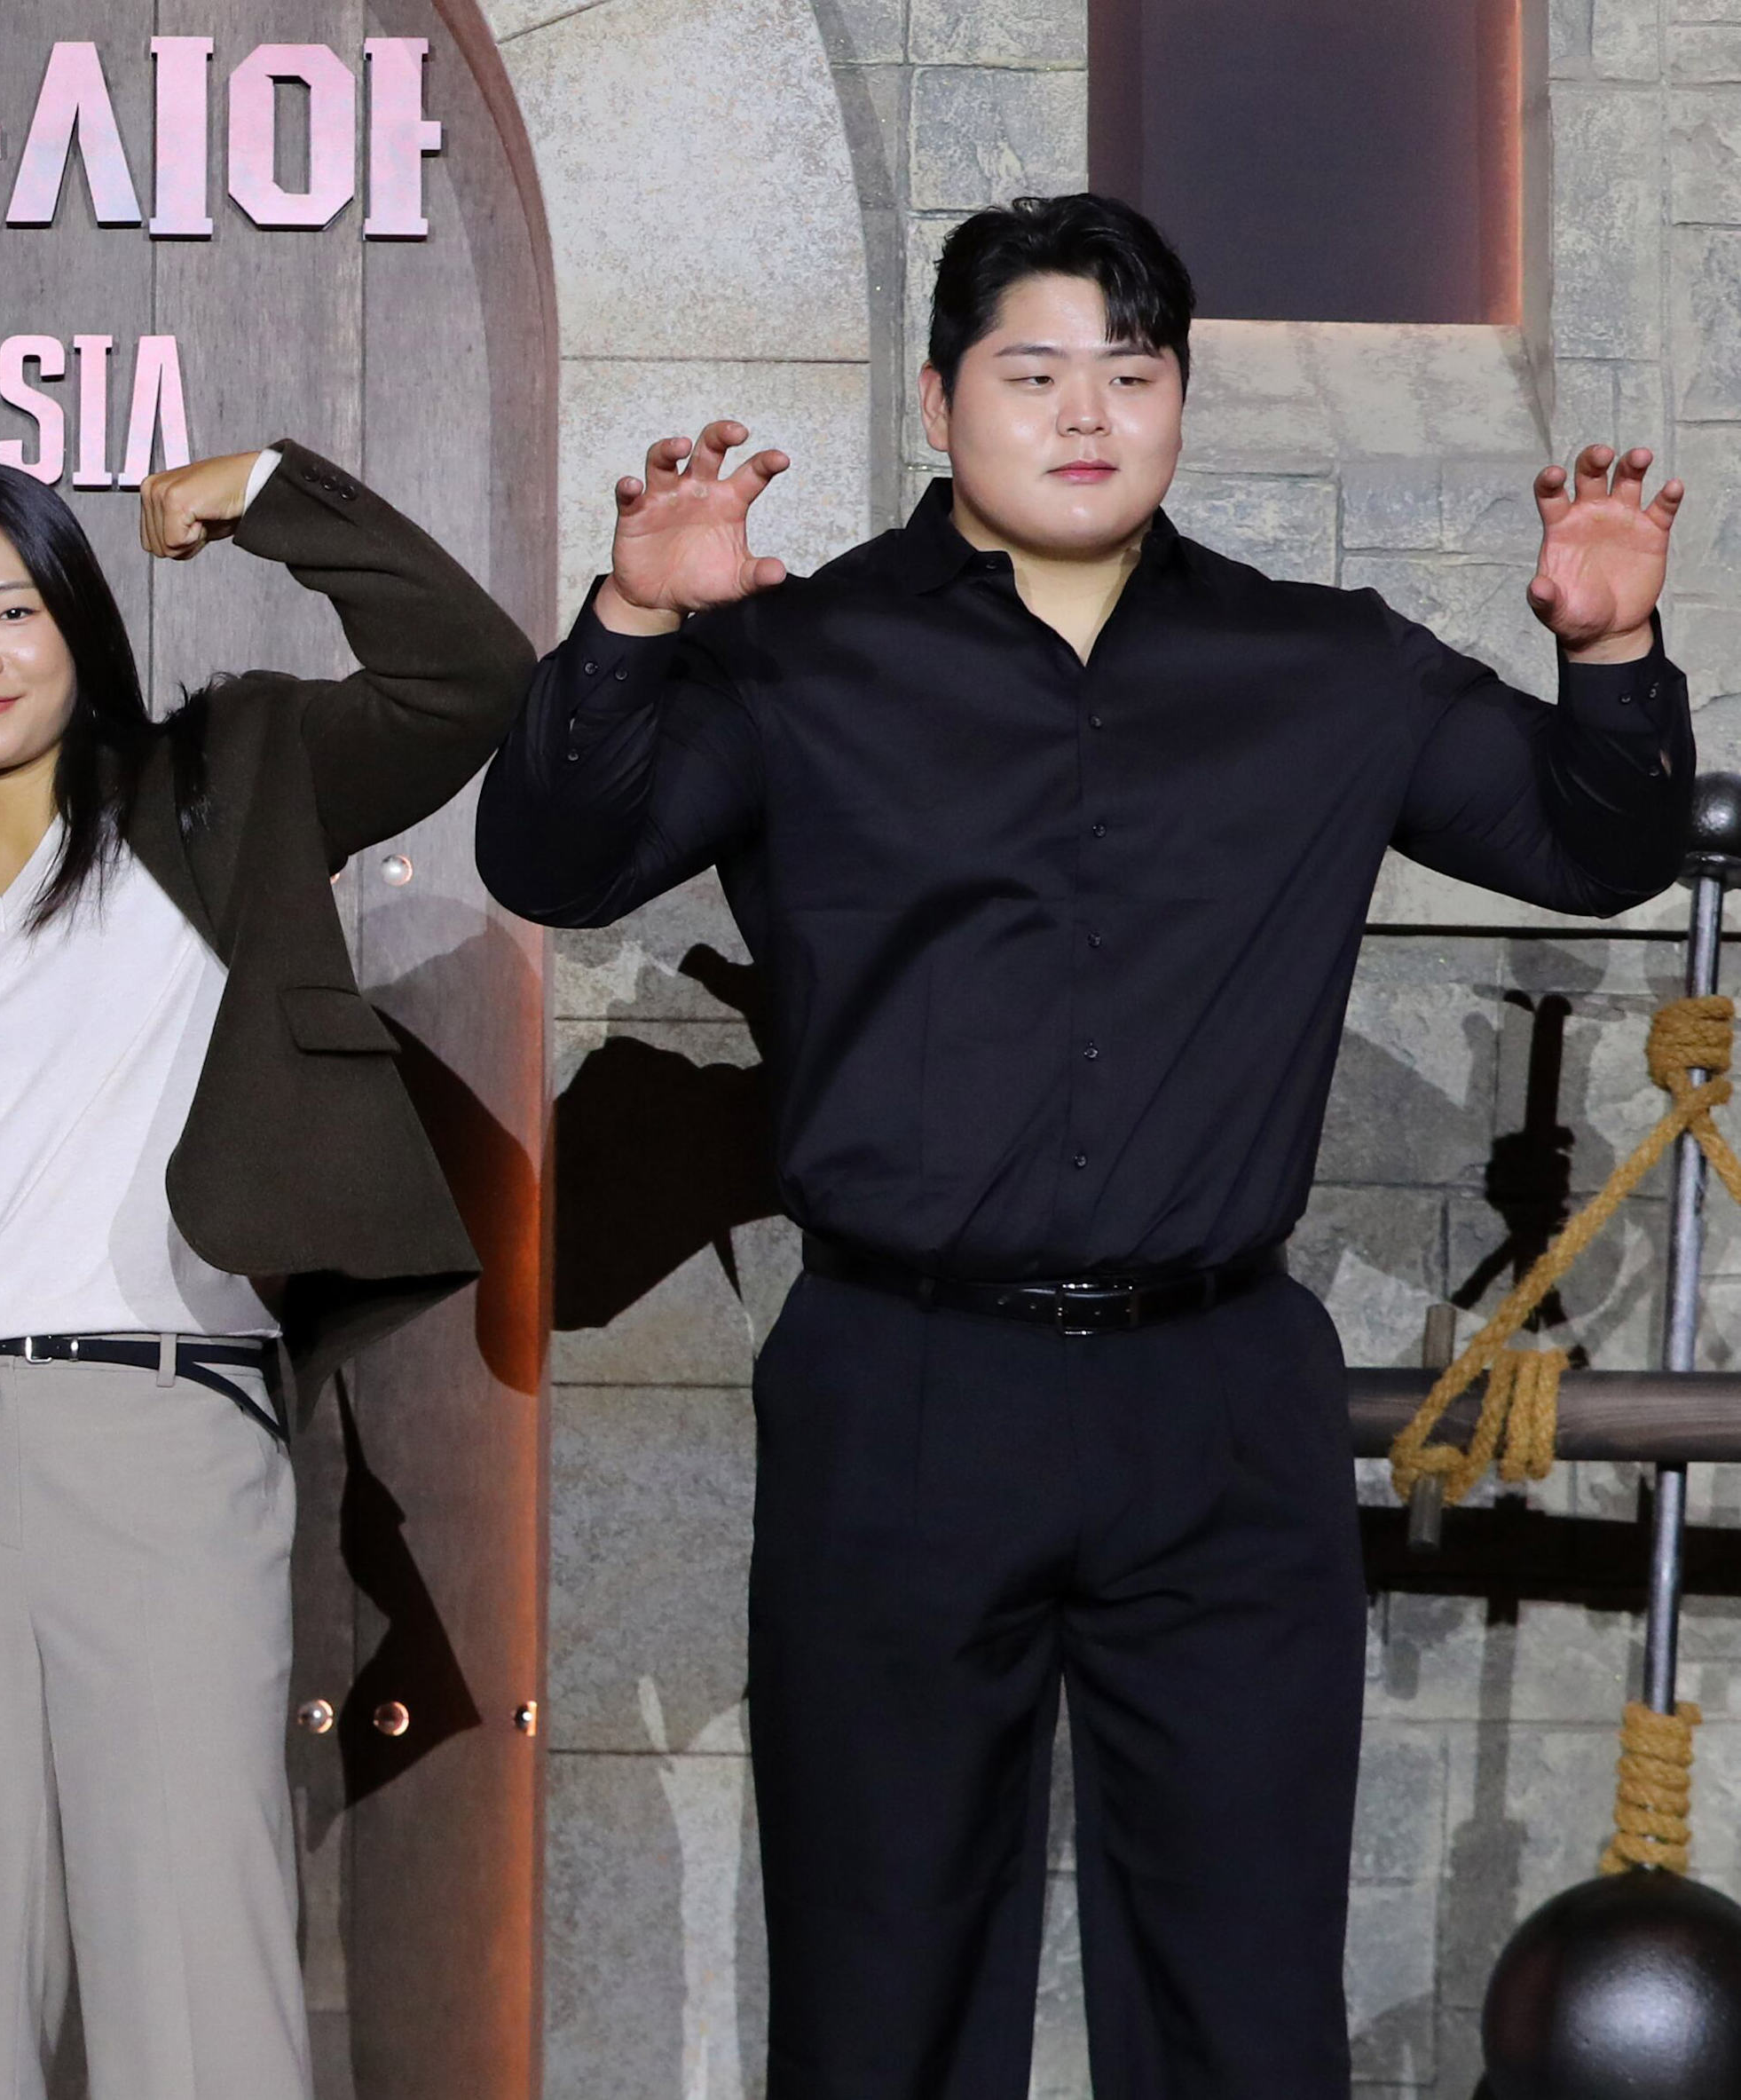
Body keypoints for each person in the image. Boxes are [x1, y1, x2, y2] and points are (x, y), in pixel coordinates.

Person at [478, 193, 1692, 2094]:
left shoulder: (1324, 664)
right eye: (1031, 372)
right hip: (902, 1387)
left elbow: (1594, 848)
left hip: (1218, 1400)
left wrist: (1610, 655)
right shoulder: (797, 655)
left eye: (1130, 374)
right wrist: (634, 624)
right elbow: (553, 858)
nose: (1084, 414)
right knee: (882, 1991)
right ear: (940, 399)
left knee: (1240, 1995)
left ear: (1180, 401)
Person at [0, 446, 532, 2100]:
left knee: (194, 1983)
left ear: (78, 625)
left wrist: (272, 492)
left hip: (169, 1425)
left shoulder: (219, 785)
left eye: (13, 609)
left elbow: (470, 678)